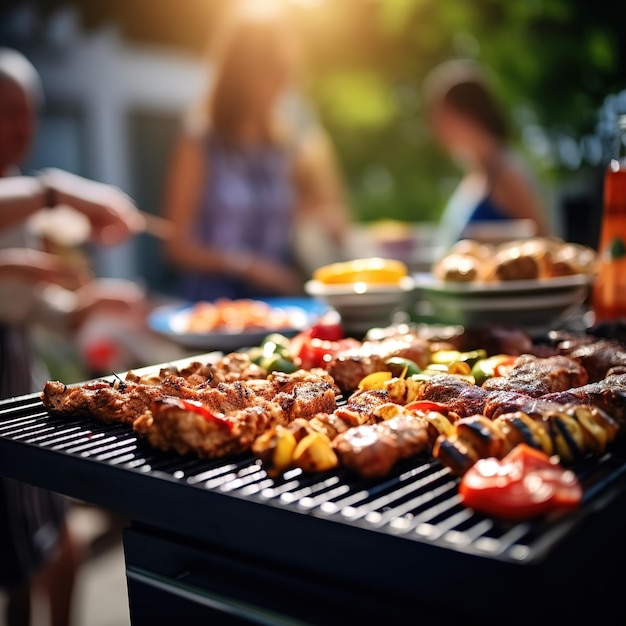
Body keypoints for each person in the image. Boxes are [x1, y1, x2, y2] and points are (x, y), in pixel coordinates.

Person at [0, 47, 144, 626]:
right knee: (46, 553)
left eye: (28, 112)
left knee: (45, 553)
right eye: (6, 110)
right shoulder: (27, 196)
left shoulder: (16, 198)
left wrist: (89, 303)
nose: (21, 126)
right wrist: (59, 189)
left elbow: (35, 311)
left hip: (14, 370)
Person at [163, 1, 350, 301]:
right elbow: (177, 246)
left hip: (278, 307)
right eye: (273, 69)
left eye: (287, 70)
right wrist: (246, 266)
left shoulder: (284, 145)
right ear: (242, 71)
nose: (283, 82)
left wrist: (322, 219)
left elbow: (297, 216)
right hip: (215, 308)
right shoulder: (200, 141)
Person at [424, 59, 549, 255]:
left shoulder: (506, 173)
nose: (436, 127)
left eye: (443, 116)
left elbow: (545, 244)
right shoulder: (475, 173)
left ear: (467, 114)